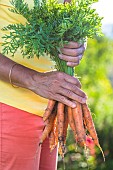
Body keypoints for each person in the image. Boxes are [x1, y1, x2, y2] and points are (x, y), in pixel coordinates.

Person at [0, 0, 87, 170]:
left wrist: (78, 44)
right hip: (10, 107)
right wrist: (34, 80)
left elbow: (72, 19)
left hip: (50, 110)